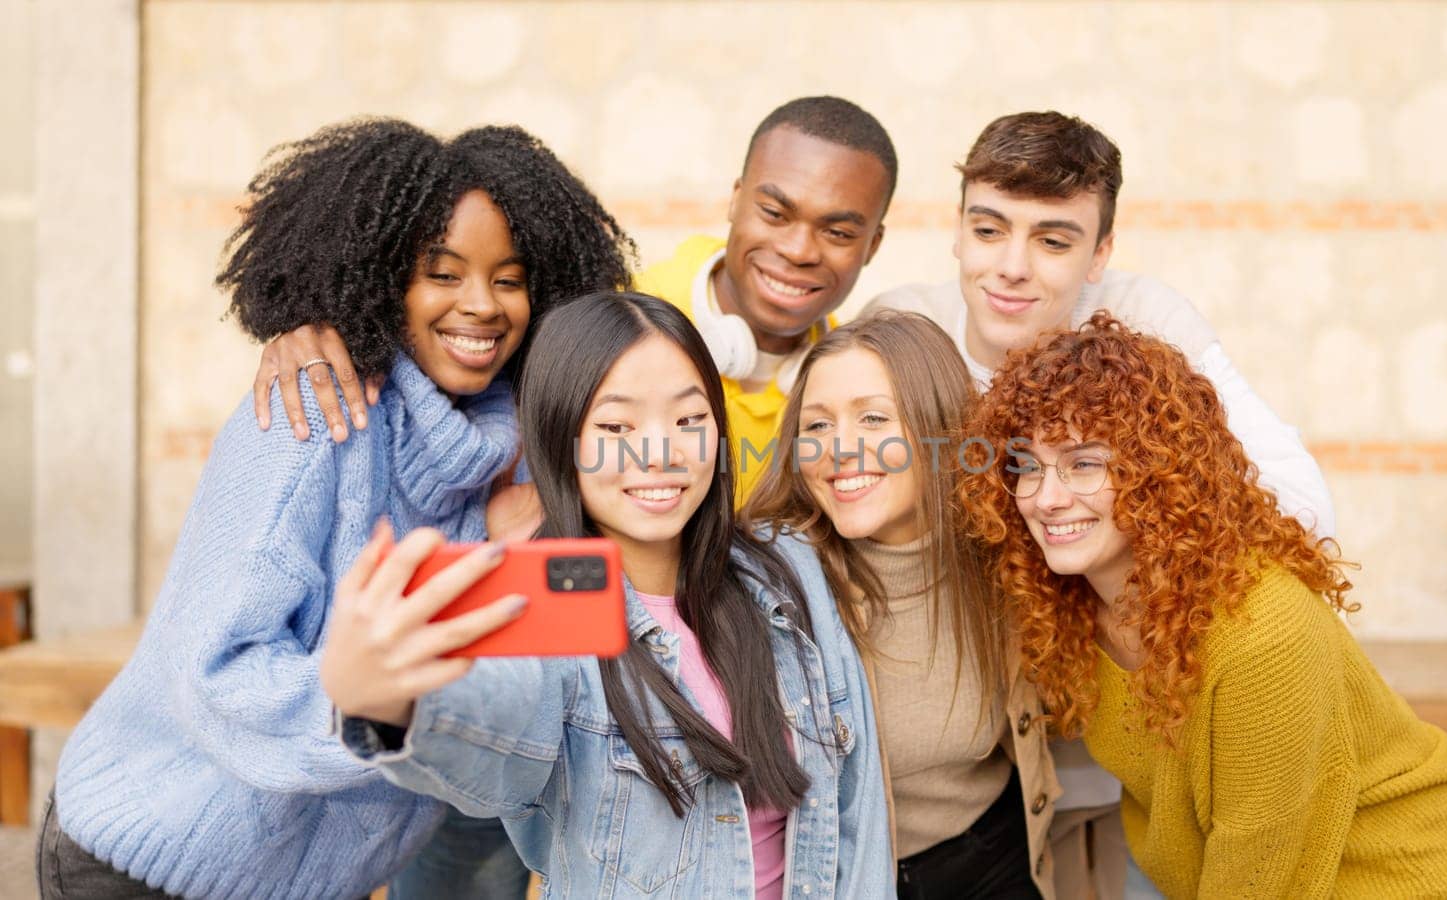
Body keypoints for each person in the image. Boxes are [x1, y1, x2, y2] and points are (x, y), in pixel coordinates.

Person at [37, 118, 632, 898]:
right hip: (155, 860)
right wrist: (384, 702)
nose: (481, 305)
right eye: (442, 273)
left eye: (510, 278)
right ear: (381, 277)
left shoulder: (518, 451)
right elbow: (218, 673)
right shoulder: (312, 418)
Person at [865, 110, 1337, 898]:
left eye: (1053, 240)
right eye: (989, 230)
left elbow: (1302, 506)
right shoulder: (902, 332)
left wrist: (1106, 566)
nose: (1012, 267)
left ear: (1099, 254)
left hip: (1124, 763)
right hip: (958, 775)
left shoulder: (1144, 325)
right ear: (956, 232)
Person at [321, 292, 892, 899]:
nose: (659, 454)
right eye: (617, 426)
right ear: (560, 436)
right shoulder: (549, 617)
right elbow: (499, 730)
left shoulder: (787, 569)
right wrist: (391, 702)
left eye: (689, 420)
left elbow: (858, 820)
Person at [959, 313, 1447, 898]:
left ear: (1159, 469)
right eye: (1026, 467)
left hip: (1378, 869)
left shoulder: (1262, 632)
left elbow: (1261, 868)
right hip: (1200, 867)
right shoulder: (1073, 601)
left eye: (1084, 463)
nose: (1046, 499)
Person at [251, 96, 897, 503]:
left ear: (873, 245)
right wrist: (311, 325)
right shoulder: (602, 312)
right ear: (735, 199)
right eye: (775, 212)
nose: (800, 249)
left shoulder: (850, 391)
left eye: (839, 232)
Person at [745, 310, 1051, 899]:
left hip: (993, 857)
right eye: (817, 426)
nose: (840, 449)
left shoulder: (1010, 555)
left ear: (940, 429)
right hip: (846, 878)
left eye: (873, 419)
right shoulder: (766, 584)